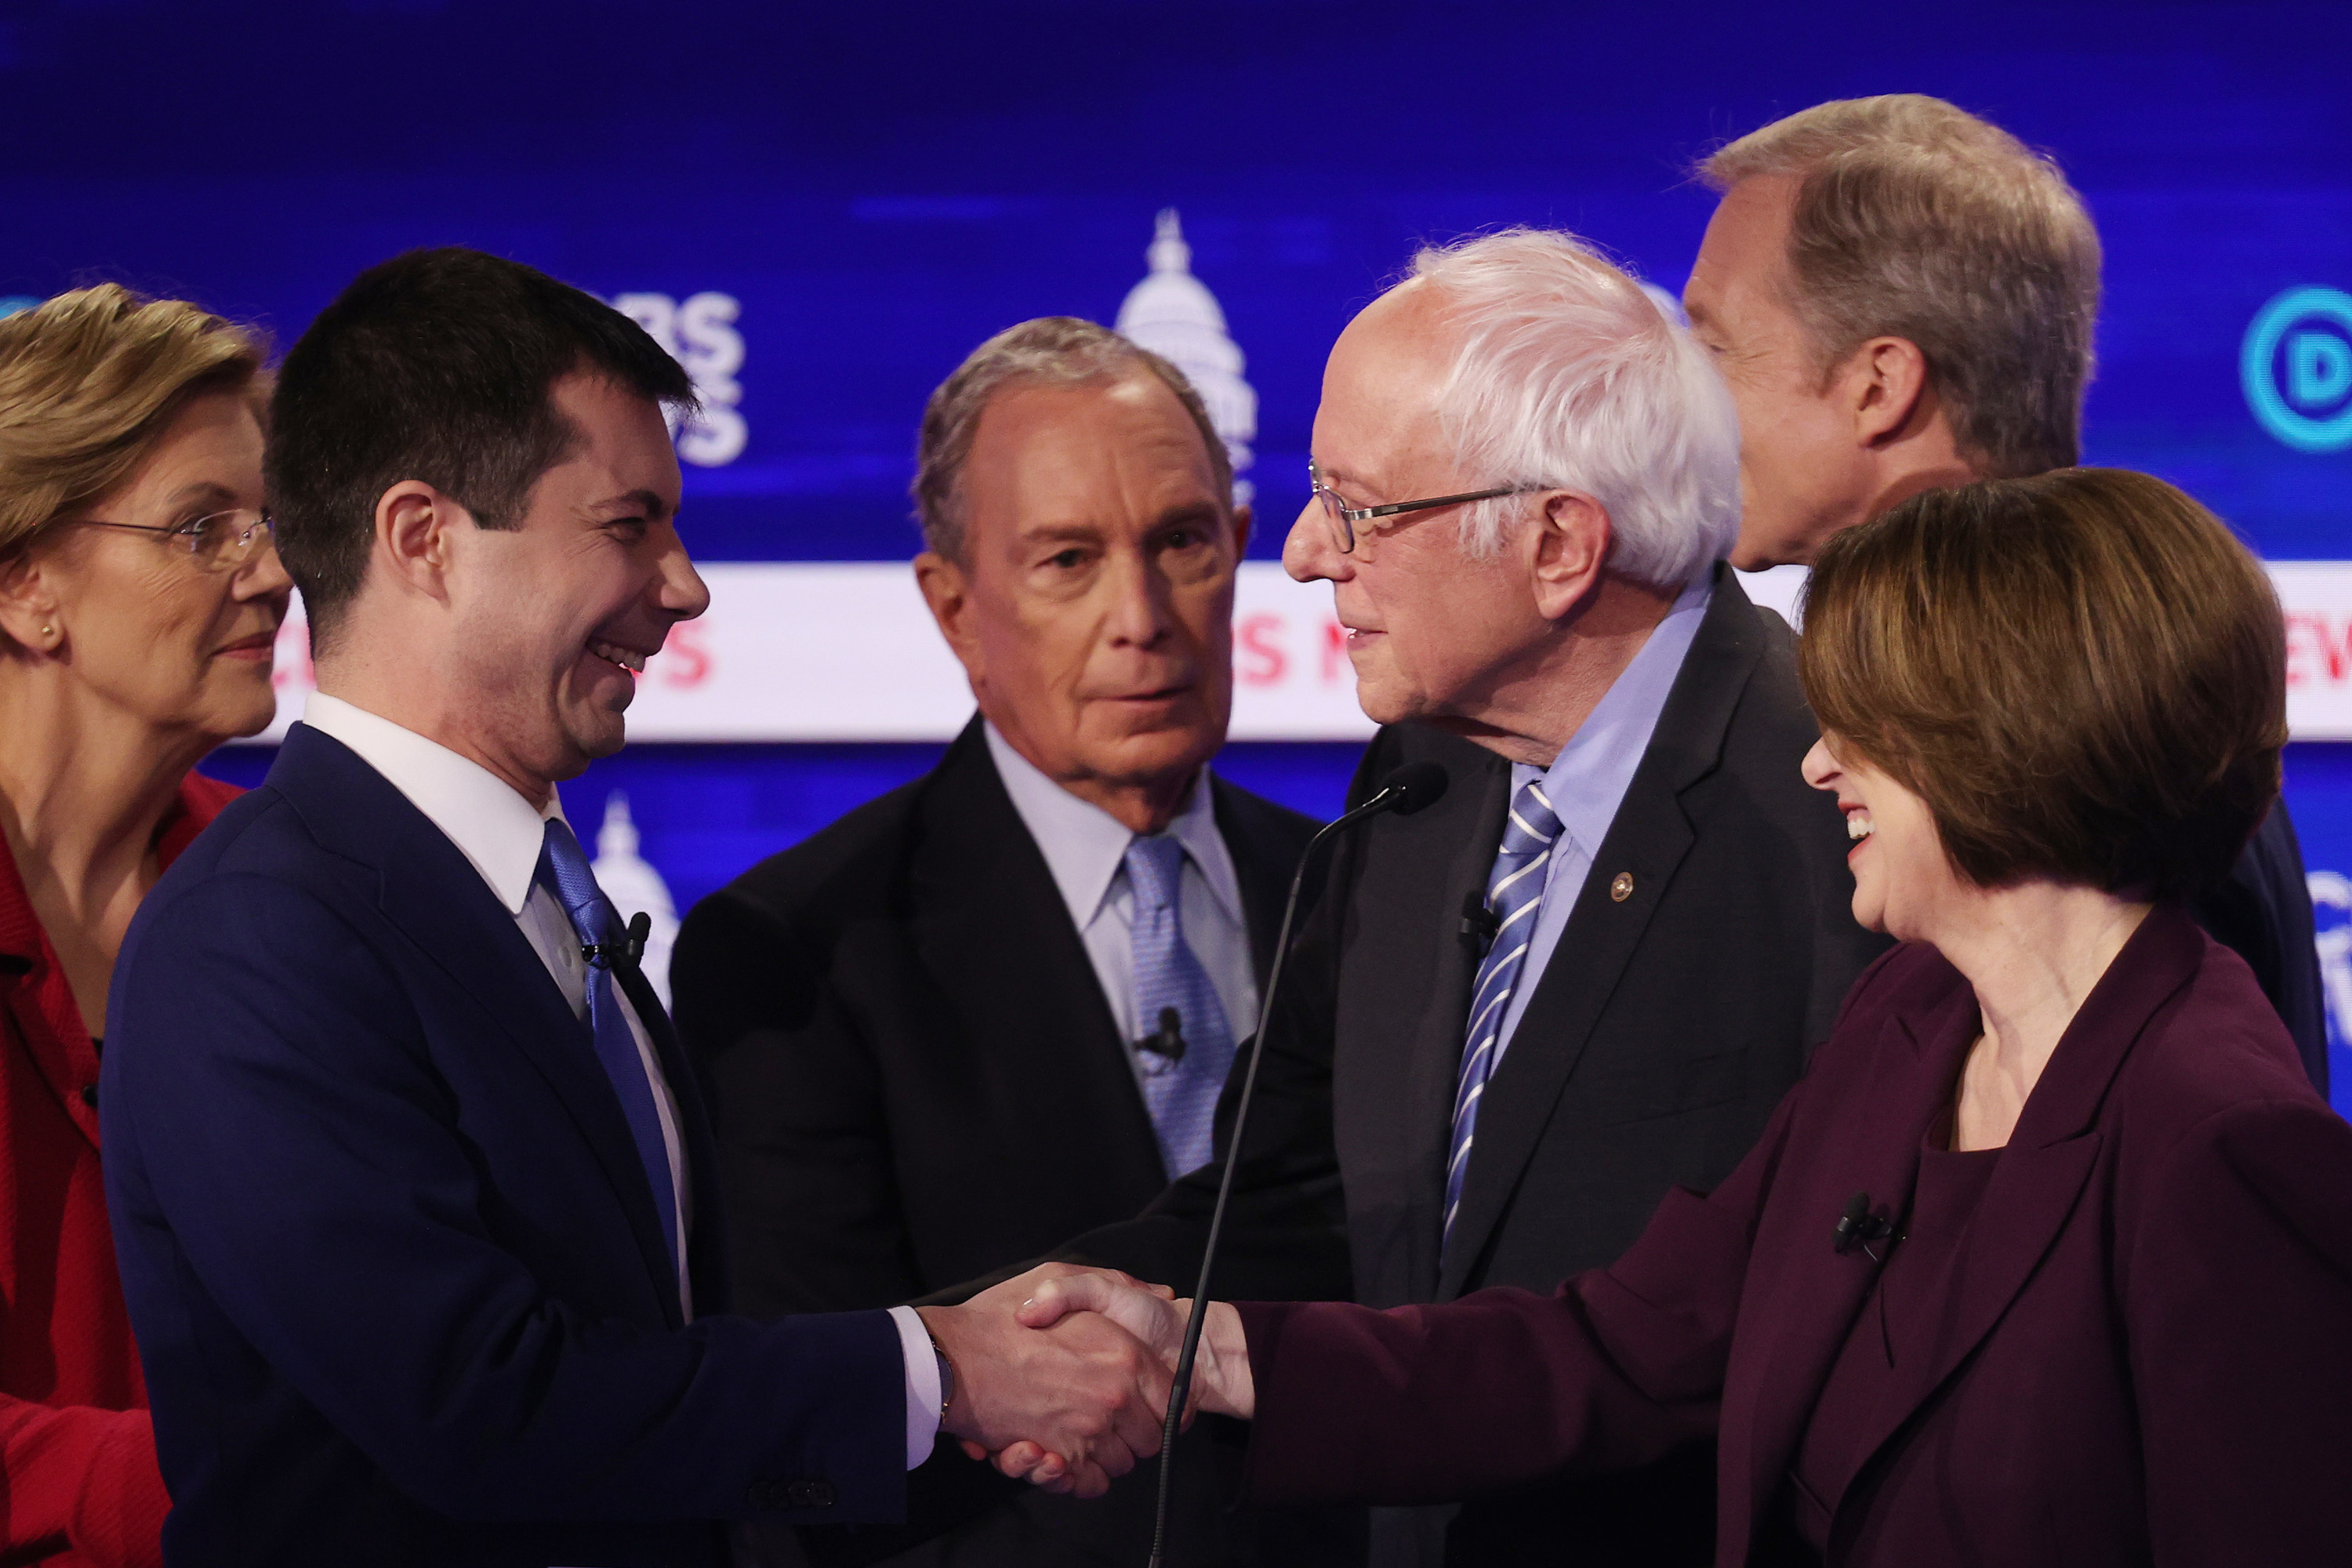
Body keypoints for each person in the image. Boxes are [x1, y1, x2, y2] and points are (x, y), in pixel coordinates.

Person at [1031, 467, 2352, 1568]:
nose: (1821, 759)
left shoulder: (2221, 1147)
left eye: (1871, 724)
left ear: (2009, 734)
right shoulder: (1911, 1022)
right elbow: (1627, 1350)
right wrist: (1207, 1354)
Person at [99, 249, 1168, 1568]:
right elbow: (482, 1411)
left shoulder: (539, 901)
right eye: (628, 525)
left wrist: (956, 1384)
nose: (685, 585)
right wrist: (938, 1372)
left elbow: (656, 1370)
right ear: (423, 540)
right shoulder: (256, 939)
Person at [1050, 228, 1888, 1568]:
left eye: (1360, 505)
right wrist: (989, 1339)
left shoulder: (1839, 809)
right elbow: (1301, 1200)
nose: (1311, 556)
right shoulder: (1423, 780)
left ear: (1558, 541)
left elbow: (1805, 1321)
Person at [670, 317, 1344, 1566]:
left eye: (1182, 544)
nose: (1141, 616)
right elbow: (813, 1417)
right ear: (954, 607)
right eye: (1068, 561)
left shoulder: (1356, 890)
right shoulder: (798, 953)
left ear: (1242, 552)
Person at [1682, 93, 2328, 1090]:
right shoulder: (2054, 679)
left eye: (1716, 346)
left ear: (1878, 384)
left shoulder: (2083, 718)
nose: (1685, 402)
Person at [0, 285, 289, 1568]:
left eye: (268, 523)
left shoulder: (294, 899)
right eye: (202, 529)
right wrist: (221, 1484)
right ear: (26, 587)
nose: (274, 572)